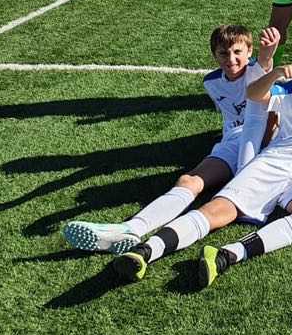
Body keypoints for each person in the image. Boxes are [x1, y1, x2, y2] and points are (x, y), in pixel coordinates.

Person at [112, 33, 292, 288]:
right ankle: (145, 251)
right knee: (220, 210)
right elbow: (254, 94)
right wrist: (276, 73)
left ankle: (228, 254)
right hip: (274, 162)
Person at [61, 25, 279, 254]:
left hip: (259, 143)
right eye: (224, 53)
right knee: (188, 181)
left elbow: (266, 83)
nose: (231, 59)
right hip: (231, 141)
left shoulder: (256, 71)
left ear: (249, 51)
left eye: (237, 52)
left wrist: (267, 53)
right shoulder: (211, 82)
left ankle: (154, 244)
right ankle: (129, 229)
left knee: (223, 199)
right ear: (214, 55)